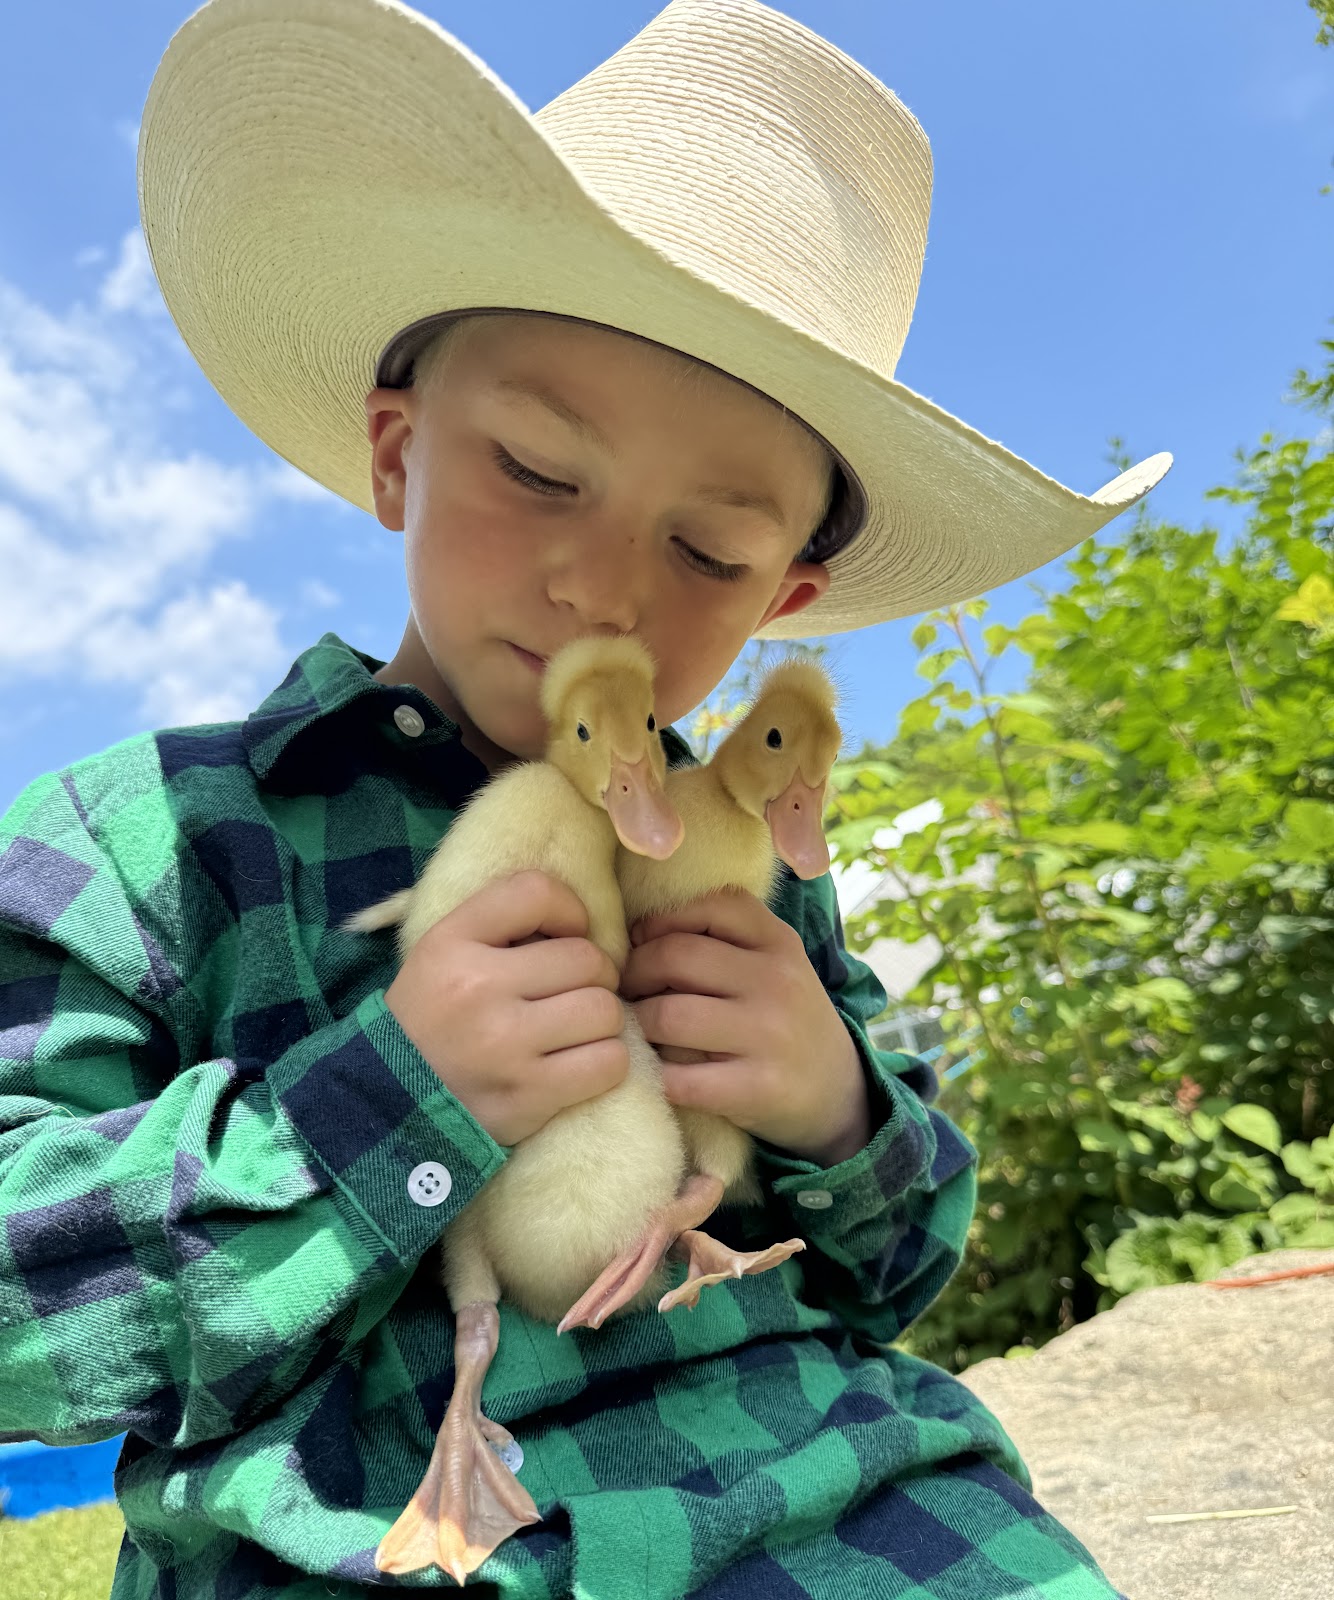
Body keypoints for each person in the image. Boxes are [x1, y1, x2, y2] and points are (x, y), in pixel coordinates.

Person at [0, 1, 1163, 1594]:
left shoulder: (753, 853)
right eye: (540, 471)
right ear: (397, 451)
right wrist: (384, 1097)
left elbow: (899, 1267)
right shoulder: (143, 844)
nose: (600, 588)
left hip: (867, 1524)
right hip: (379, 1554)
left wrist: (827, 1103)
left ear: (782, 603)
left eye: (705, 553)